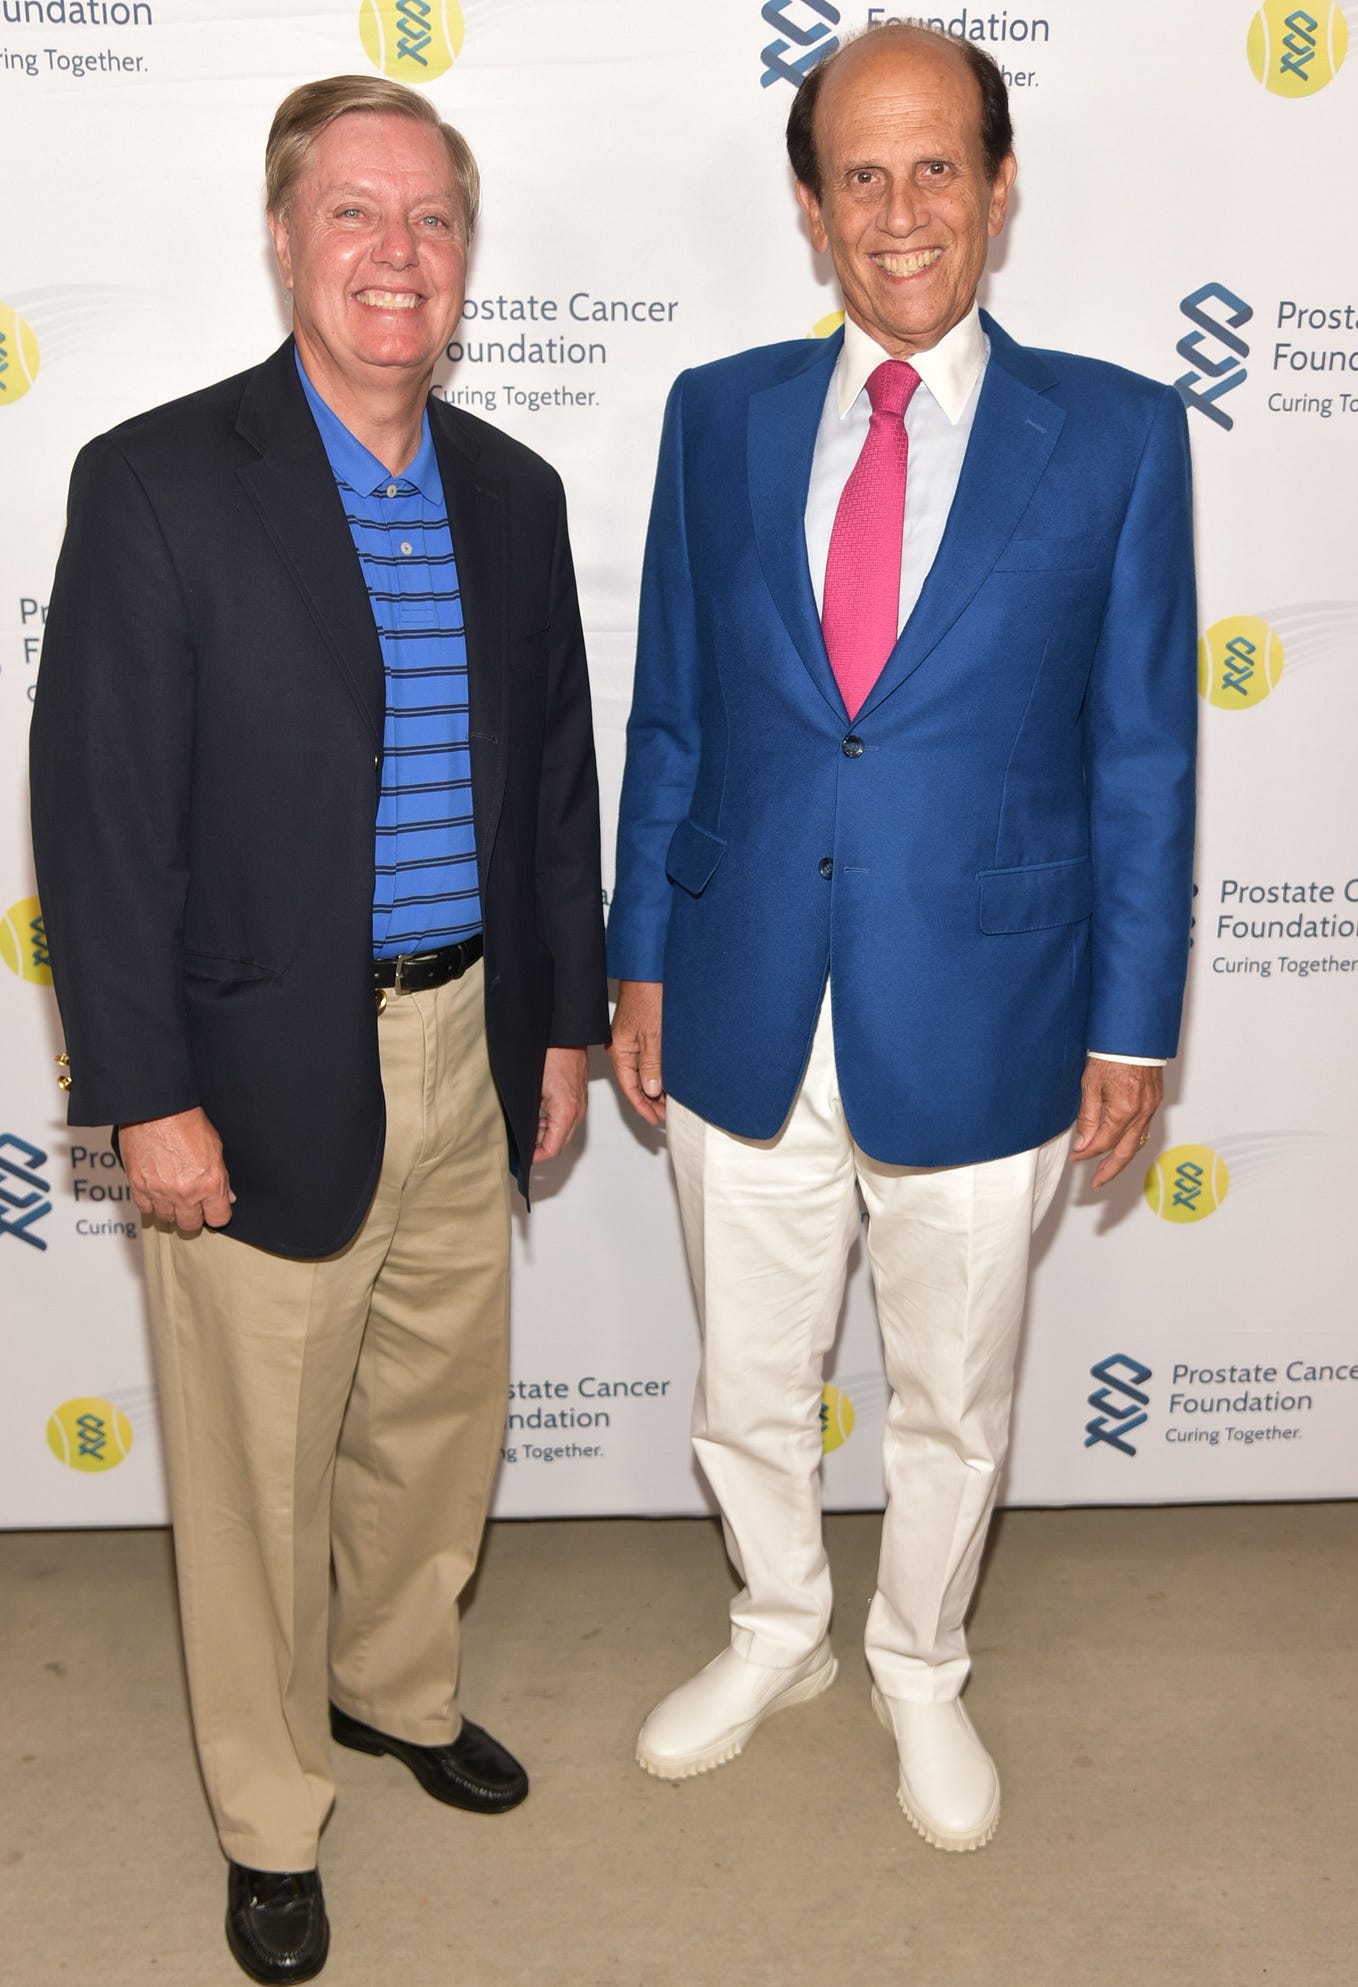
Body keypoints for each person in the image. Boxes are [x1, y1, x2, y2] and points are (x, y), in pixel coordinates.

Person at [30, 75, 607, 1981]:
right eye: (353, 211)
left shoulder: (514, 496)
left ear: (465, 257)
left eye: (430, 217)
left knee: (436, 1422)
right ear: (284, 240)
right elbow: (99, 820)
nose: (395, 252)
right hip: (255, 1069)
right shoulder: (156, 481)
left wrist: (559, 1026)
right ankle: (270, 1817)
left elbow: (551, 789)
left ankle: (393, 1687)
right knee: (256, 1480)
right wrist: (143, 1097)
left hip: (469, 1046)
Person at [606, 23, 1195, 1853]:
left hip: (991, 1004)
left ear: (999, 187)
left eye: (936, 164)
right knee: (747, 1380)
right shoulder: (716, 415)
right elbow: (673, 712)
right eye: (857, 173)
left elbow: (1140, 751)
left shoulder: (1116, 433)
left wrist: (1130, 1019)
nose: (898, 209)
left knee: (951, 1397)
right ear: (808, 206)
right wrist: (639, 955)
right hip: (740, 993)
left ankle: (919, 1664)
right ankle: (777, 1629)